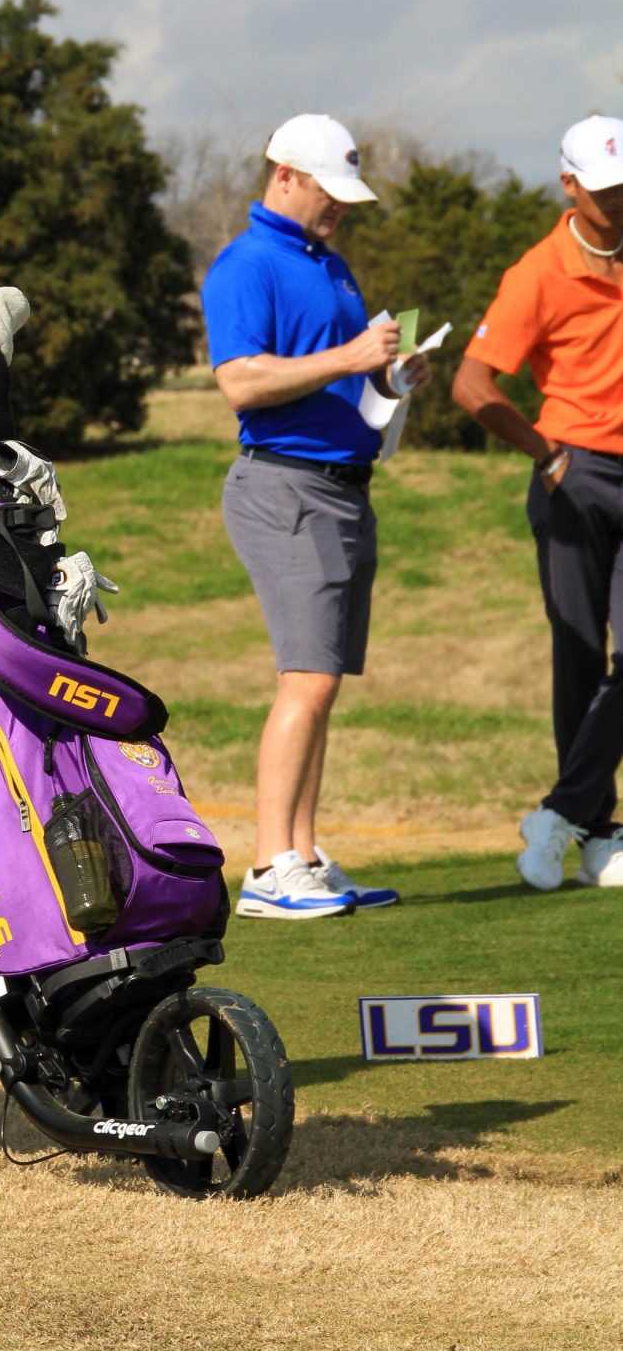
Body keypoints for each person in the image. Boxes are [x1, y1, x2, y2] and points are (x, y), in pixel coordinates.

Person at [201, 114, 426, 920]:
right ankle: (266, 868)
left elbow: (335, 382)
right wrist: (351, 357)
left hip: (338, 488)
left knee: (321, 681)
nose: (339, 209)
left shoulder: (326, 263)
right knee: (307, 677)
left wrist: (392, 378)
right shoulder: (245, 265)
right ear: (284, 174)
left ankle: (300, 851)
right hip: (285, 488)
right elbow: (241, 384)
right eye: (328, 193)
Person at [453, 116, 623, 891]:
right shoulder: (538, 272)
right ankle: (596, 834)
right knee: (579, 659)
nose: (617, 202)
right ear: (568, 185)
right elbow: (472, 385)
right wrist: (543, 451)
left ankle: (558, 813)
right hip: (573, 475)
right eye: (604, 191)